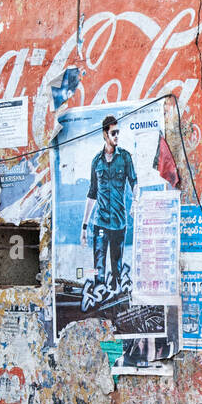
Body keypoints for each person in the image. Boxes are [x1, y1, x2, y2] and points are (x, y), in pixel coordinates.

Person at [79, 115, 137, 290]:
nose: (116, 136)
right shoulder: (96, 162)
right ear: (105, 134)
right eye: (113, 133)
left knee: (117, 271)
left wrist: (135, 201)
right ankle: (98, 306)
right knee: (99, 270)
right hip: (100, 223)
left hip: (119, 223)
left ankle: (116, 308)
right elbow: (91, 194)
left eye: (118, 132)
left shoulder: (125, 158)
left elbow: (134, 182)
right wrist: (84, 227)